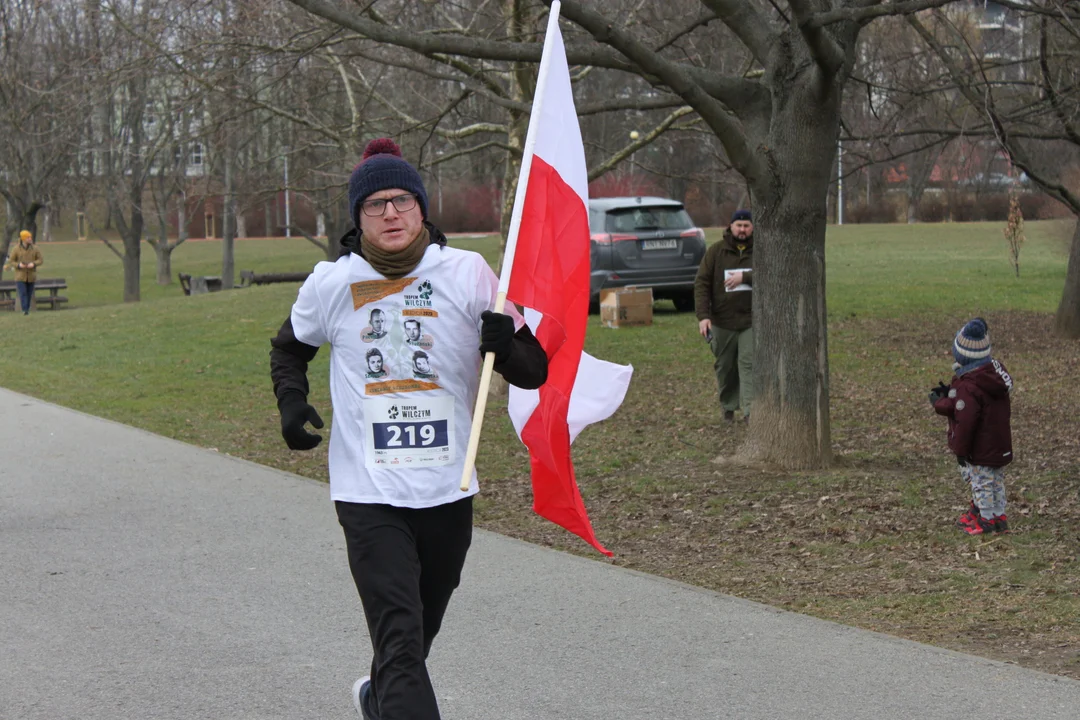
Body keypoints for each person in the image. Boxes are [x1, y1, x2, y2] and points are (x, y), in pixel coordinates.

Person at [269, 137, 548, 720]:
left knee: (416, 634)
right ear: (358, 217)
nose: (390, 213)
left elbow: (533, 369)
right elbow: (288, 351)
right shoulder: (332, 283)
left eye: (401, 200)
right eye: (375, 205)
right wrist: (291, 406)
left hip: (448, 484)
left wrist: (504, 342)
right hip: (368, 490)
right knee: (399, 640)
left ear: (422, 207)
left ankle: (379, 697)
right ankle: (392, 690)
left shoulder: (467, 272)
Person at [929, 318, 1014, 535]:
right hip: (998, 443)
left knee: (982, 483)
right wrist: (946, 398)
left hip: (980, 447)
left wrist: (961, 451)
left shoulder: (969, 385)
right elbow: (969, 404)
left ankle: (986, 521)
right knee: (995, 482)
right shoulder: (990, 376)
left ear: (962, 355)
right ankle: (998, 516)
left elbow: (965, 419)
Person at [694, 209, 754, 423]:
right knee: (725, 366)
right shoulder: (716, 252)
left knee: (749, 364)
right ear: (731, 226)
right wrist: (703, 316)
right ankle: (728, 406)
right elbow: (701, 283)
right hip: (722, 321)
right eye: (739, 225)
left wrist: (745, 276)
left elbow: (772, 275)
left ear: (752, 228)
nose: (742, 230)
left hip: (751, 321)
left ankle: (750, 412)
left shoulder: (762, 251)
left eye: (747, 226)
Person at [7, 230, 44, 315]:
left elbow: (40, 260)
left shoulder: (35, 248)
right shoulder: (16, 249)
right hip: (20, 276)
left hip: (31, 275)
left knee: (29, 293)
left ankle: (26, 309)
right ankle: (25, 310)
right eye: (28, 237)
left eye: (30, 237)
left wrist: (33, 264)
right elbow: (11, 261)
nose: (30, 239)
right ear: (23, 239)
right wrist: (19, 265)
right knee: (23, 293)